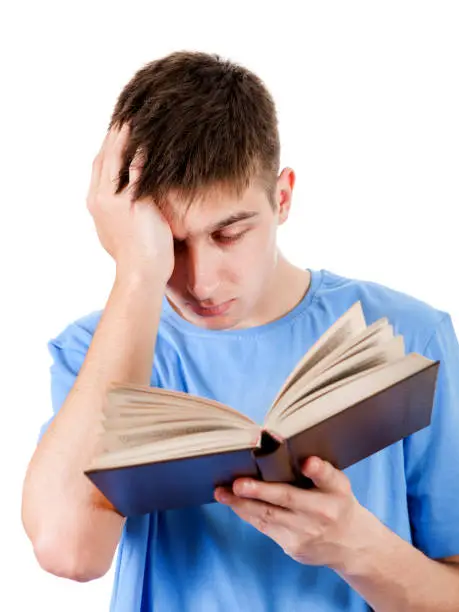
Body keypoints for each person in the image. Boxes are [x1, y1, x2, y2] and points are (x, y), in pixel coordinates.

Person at [22, 50, 459, 612]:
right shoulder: (97, 348)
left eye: (229, 234)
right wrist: (137, 273)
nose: (201, 282)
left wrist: (357, 548)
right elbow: (69, 552)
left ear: (282, 197)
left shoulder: (410, 338)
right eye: (172, 244)